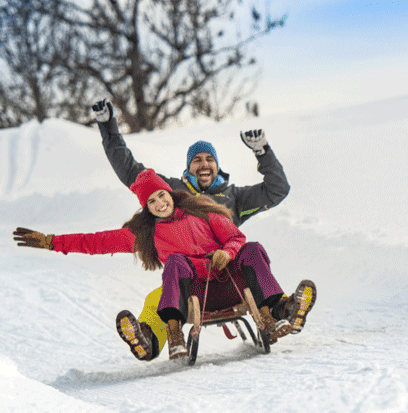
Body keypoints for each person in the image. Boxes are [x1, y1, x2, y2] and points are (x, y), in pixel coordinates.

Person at [89, 99, 314, 361]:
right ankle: (148, 339)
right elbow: (130, 170)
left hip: (229, 277)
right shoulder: (171, 192)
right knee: (157, 299)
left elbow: (277, 190)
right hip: (190, 279)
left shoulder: (234, 198)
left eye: (210, 159)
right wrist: (107, 127)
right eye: (197, 160)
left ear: (217, 166)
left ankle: (286, 312)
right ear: (188, 167)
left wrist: (263, 152)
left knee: (254, 261)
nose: (204, 164)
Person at [13, 169, 315, 360]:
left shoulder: (203, 210)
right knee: (173, 268)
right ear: (146, 208)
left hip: (230, 283)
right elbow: (97, 241)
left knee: (251, 249)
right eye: (152, 202)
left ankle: (281, 311)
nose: (159, 203)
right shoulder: (146, 234)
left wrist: (228, 252)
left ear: (169, 192)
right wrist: (53, 242)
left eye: (161, 195)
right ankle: (161, 336)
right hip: (193, 293)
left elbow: (235, 237)